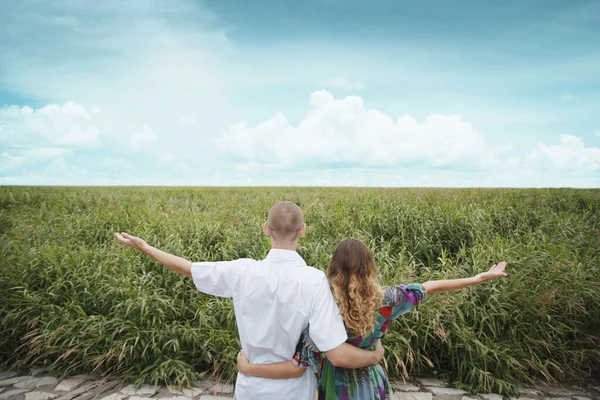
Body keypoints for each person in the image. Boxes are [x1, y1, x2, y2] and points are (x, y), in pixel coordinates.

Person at [114, 202, 383, 400]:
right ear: (303, 231)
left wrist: (146, 248)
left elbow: (189, 268)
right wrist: (374, 356)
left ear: (266, 229)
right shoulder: (313, 281)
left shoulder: (243, 271)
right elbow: (337, 355)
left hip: (250, 387)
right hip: (293, 391)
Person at [237, 237, 508, 400]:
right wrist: (475, 278)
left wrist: (250, 369)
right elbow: (431, 285)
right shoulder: (387, 300)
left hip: (335, 389)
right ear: (369, 267)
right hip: (371, 384)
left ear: (333, 266)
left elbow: (297, 366)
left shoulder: (321, 306)